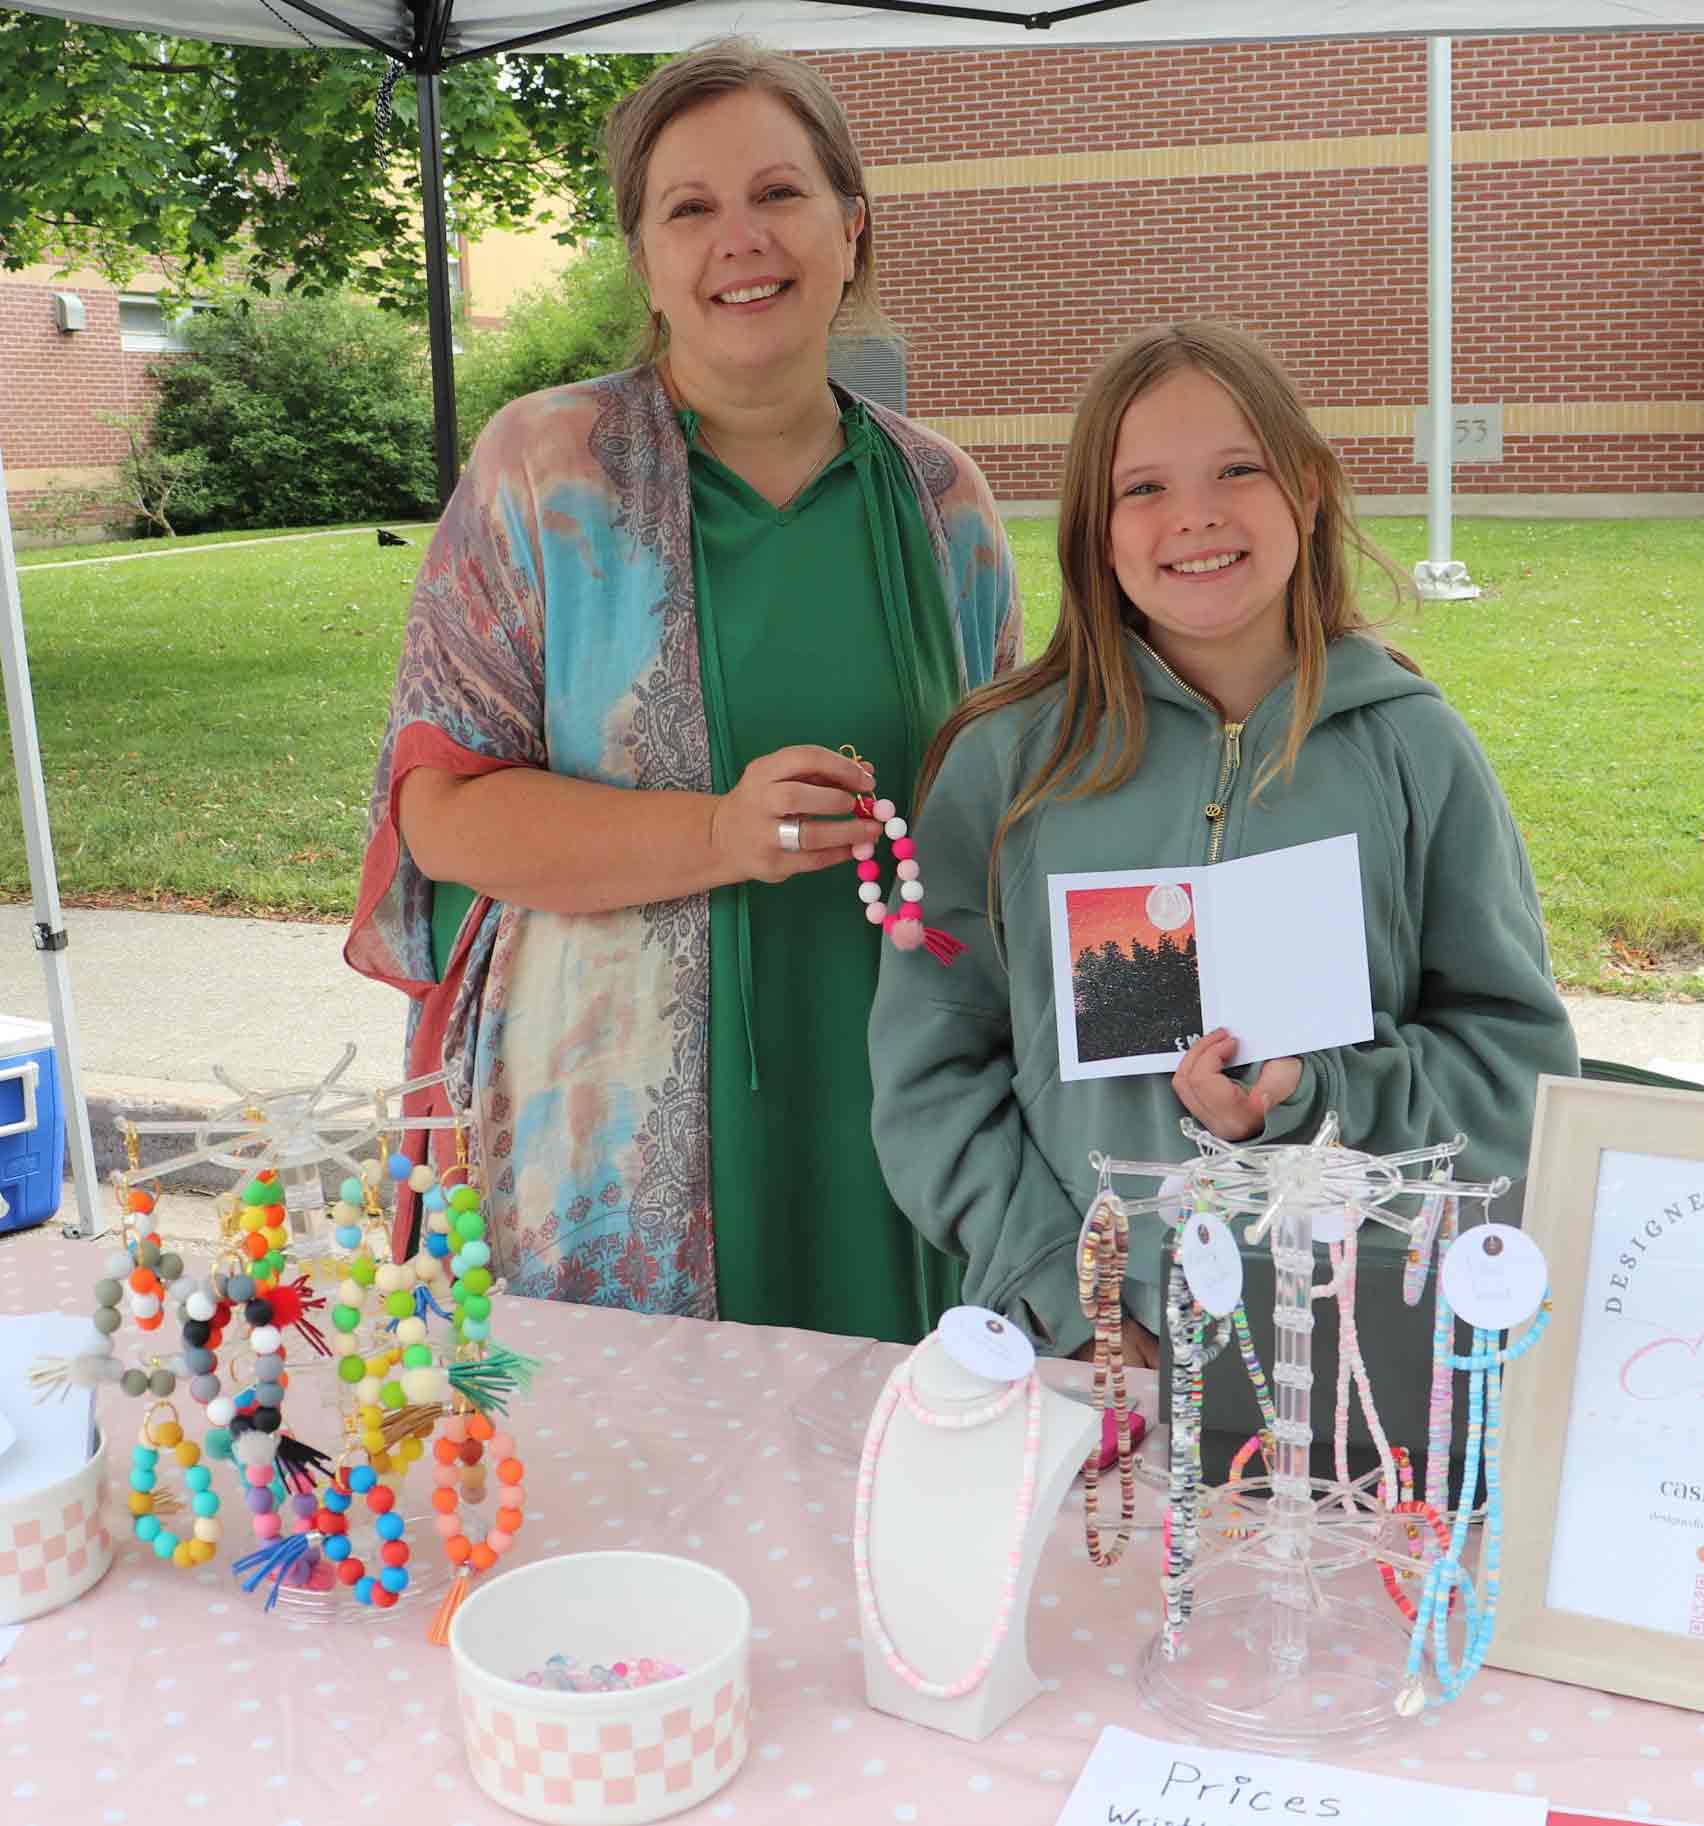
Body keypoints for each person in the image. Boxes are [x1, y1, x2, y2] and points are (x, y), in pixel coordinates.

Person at [346, 38, 1019, 1338]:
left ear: (849, 226)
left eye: (779, 194)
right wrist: (716, 832)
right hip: (602, 1129)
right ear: (647, 258)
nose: (740, 240)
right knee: (639, 1493)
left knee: (867, 1486)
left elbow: (1006, 811)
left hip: (891, 1105)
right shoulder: (545, 472)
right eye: (690, 209)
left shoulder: (947, 507)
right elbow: (440, 812)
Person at [869, 322, 1579, 1364]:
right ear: (1092, 533)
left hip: (1350, 1352)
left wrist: (1319, 1099)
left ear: (1303, 487)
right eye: (1141, 488)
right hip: (1084, 1355)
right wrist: (1073, 1295)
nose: (1194, 515)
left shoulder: (1411, 747)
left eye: (1235, 469)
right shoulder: (1006, 766)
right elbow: (931, 1074)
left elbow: (1513, 1064)